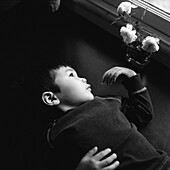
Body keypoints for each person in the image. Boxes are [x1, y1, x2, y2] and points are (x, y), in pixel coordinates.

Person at [25, 61, 170, 169]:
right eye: (71, 75)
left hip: (160, 165)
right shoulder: (54, 134)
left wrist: (132, 78)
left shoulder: (106, 102)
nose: (83, 79)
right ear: (51, 98)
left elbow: (143, 113)